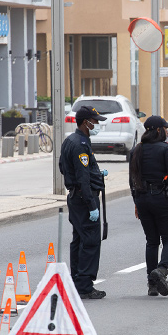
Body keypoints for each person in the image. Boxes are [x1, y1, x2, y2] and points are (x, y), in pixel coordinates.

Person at [129, 115, 168, 297]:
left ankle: (152, 285)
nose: (167, 131)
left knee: (151, 241)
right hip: (161, 198)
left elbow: (131, 180)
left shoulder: (136, 150)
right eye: (165, 128)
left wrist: (136, 201)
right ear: (158, 130)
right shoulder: (165, 149)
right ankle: (161, 270)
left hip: (142, 199)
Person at [59, 106, 108, 300]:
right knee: (90, 241)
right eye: (94, 121)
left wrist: (97, 174)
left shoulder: (71, 140)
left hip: (76, 197)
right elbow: (82, 177)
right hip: (83, 198)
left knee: (79, 240)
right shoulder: (80, 144)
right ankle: (85, 285)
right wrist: (91, 205)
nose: (96, 124)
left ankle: (77, 281)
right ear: (85, 122)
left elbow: (65, 167)